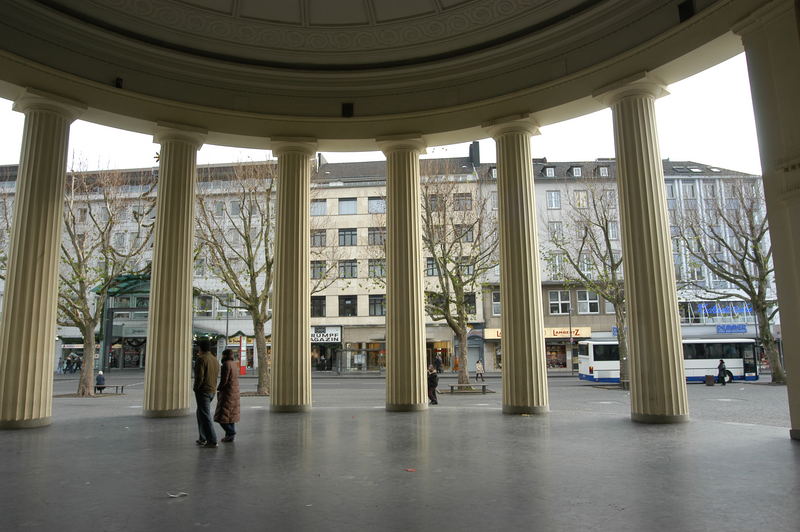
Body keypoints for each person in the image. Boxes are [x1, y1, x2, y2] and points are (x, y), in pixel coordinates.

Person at [193, 339, 219, 448]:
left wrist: (196, 388)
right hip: (212, 390)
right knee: (201, 413)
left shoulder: (201, 359)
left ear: (200, 348)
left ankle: (212, 440)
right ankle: (202, 437)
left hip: (203, 390)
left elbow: (199, 377)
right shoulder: (215, 359)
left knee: (205, 415)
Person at [214, 349, 241, 442]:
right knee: (230, 416)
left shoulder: (225, 364)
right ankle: (230, 437)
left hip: (227, 393)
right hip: (234, 392)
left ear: (225, 355)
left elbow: (224, 380)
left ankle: (230, 432)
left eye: (222, 355)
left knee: (221, 416)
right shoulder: (234, 364)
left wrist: (219, 388)